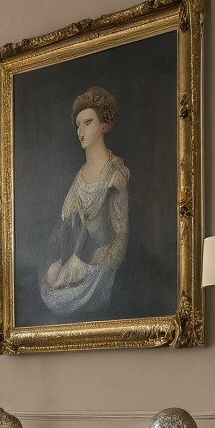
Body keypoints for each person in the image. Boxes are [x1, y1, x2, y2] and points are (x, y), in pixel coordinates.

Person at [40, 85, 129, 320]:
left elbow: (120, 238)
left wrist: (94, 271)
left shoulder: (115, 175)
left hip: (100, 272)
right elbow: (68, 229)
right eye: (78, 125)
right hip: (75, 266)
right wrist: (60, 262)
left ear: (104, 125)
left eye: (88, 122)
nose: (81, 131)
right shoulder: (79, 177)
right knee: (52, 294)